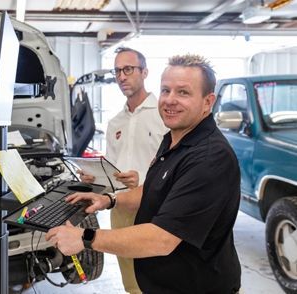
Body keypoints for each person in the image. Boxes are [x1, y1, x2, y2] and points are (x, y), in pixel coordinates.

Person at [47, 54, 242, 293]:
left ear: (207, 102)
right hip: (164, 281)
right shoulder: (174, 138)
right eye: (166, 90)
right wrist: (109, 199)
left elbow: (162, 239)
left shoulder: (210, 158)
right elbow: (154, 189)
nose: (170, 100)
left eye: (183, 93)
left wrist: (85, 237)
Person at [78, 47, 167, 294]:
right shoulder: (116, 122)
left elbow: (176, 166)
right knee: (132, 282)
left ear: (145, 72)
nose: (122, 76)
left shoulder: (164, 114)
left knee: (159, 278)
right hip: (121, 209)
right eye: (117, 71)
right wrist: (93, 177)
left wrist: (143, 178)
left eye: (128, 69)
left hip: (155, 209)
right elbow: (112, 172)